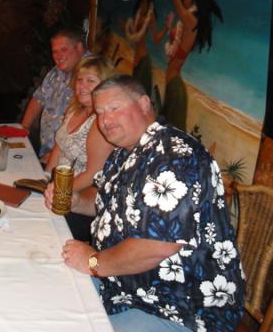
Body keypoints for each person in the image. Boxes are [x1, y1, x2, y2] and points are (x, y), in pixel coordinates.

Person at [61, 75, 244, 331]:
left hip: (180, 307)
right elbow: (107, 205)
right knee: (54, 289)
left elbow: (157, 245)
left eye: (114, 108)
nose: (105, 120)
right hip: (124, 287)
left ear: (144, 104)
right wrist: (77, 201)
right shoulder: (123, 153)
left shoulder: (175, 157)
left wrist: (93, 262)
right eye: (100, 113)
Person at [43, 55, 116, 241]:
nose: (82, 86)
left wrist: (60, 192)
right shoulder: (75, 109)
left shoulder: (99, 123)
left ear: (105, 85)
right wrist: (45, 177)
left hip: (80, 201)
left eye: (91, 81)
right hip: (57, 187)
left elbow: (94, 174)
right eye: (80, 80)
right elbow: (60, 146)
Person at [163, 0, 223, 130]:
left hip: (175, 87)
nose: (184, 0)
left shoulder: (190, 20)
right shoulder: (190, 20)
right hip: (173, 84)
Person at [21, 28, 87, 162]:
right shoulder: (56, 71)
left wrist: (56, 154)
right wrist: (24, 129)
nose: (58, 56)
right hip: (48, 153)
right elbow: (39, 98)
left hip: (69, 159)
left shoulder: (90, 74)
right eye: (54, 51)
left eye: (63, 49)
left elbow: (87, 119)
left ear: (79, 47)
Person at [124, 0, 170, 95]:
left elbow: (156, 39)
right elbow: (134, 34)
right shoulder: (138, 8)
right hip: (136, 59)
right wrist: (125, 26)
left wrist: (166, 27)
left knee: (140, 96)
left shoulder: (151, 12)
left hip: (144, 61)